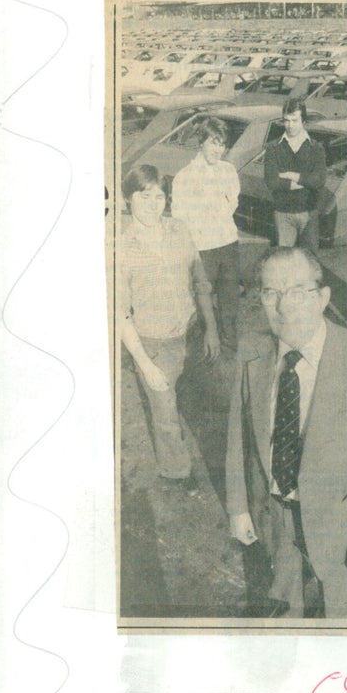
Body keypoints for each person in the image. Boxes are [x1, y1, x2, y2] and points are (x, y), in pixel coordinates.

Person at [225, 246, 347, 618]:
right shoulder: (252, 351)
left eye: (298, 291)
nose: (284, 307)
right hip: (270, 512)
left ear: (323, 298)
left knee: (333, 609)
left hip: (336, 521)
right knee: (280, 603)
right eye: (271, 293)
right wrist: (238, 507)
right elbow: (238, 439)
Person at [119, 165, 220, 496]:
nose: (153, 203)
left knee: (203, 406)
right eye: (144, 196)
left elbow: (200, 282)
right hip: (154, 346)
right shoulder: (120, 246)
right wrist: (145, 364)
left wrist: (212, 330)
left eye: (159, 196)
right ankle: (177, 473)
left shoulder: (179, 229)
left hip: (191, 334)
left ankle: (215, 463)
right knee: (165, 419)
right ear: (127, 199)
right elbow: (120, 314)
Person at [170, 115, 241, 350]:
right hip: (203, 251)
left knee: (230, 304)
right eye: (213, 142)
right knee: (204, 306)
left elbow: (232, 205)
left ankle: (230, 349)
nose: (218, 150)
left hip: (228, 245)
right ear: (201, 142)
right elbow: (182, 219)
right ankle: (207, 352)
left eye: (222, 144)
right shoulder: (185, 177)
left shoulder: (229, 171)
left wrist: (212, 212)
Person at [263, 99, 326, 249]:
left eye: (295, 121)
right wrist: (305, 181)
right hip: (282, 214)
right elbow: (272, 182)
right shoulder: (273, 148)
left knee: (309, 261)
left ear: (304, 122)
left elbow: (319, 180)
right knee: (284, 261)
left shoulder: (316, 148)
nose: (290, 125)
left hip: (308, 213)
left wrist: (291, 175)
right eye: (287, 121)